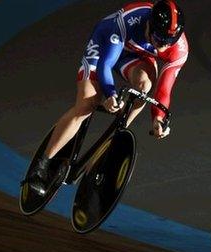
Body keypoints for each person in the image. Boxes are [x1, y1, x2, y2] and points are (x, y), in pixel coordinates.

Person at [27, 0, 188, 195]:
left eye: (168, 42)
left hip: (135, 54)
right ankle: (42, 164)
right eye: (159, 39)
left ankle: (111, 142)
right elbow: (105, 64)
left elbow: (164, 90)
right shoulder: (129, 20)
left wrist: (158, 119)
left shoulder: (179, 49)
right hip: (106, 44)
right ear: (149, 25)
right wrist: (110, 93)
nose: (163, 46)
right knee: (87, 104)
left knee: (144, 88)